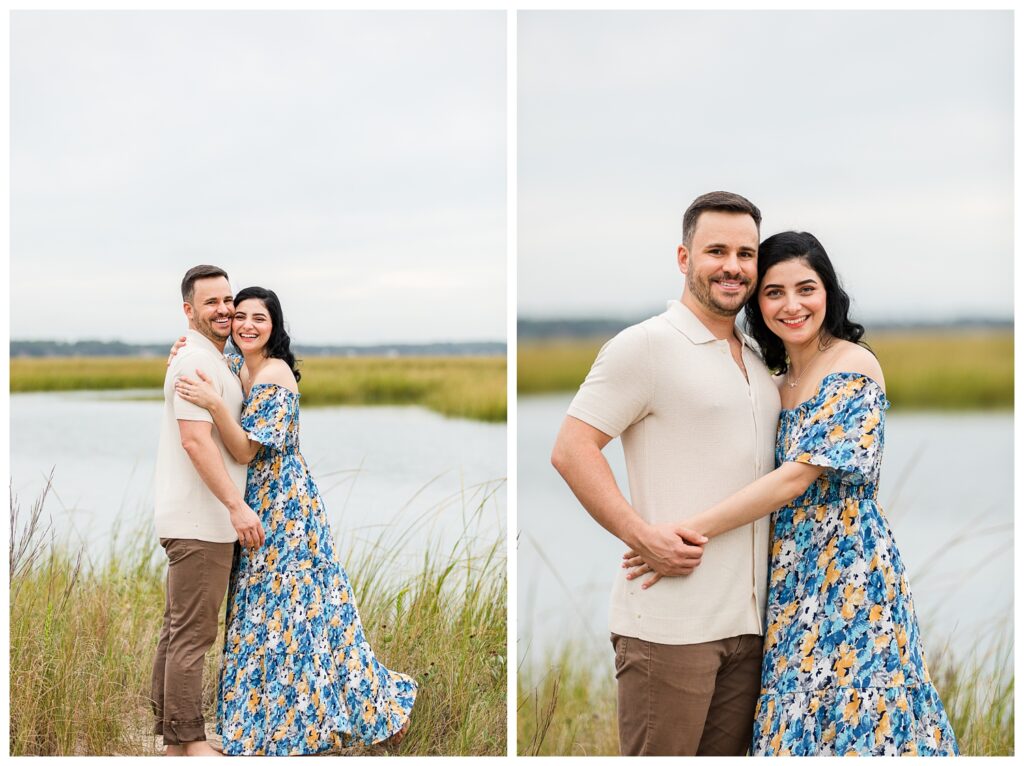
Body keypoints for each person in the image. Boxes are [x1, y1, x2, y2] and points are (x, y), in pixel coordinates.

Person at [623, 231, 959, 756]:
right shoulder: (774, 382)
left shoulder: (853, 364)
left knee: (858, 714)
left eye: (806, 288)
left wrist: (686, 535)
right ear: (758, 304)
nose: (792, 305)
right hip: (788, 578)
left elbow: (795, 478)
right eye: (774, 292)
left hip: (849, 574)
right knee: (796, 719)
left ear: (828, 292)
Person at [551, 191, 782, 756]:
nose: (733, 266)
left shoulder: (756, 356)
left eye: (746, 253)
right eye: (717, 251)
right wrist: (640, 534)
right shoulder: (645, 346)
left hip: (751, 628)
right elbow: (572, 447)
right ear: (684, 259)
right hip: (670, 626)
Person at [172, 286, 417, 756]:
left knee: (301, 610)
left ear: (274, 326)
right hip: (257, 502)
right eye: (239, 316)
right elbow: (210, 371)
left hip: (286, 509)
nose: (245, 324)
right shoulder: (240, 368)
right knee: (267, 612)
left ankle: (369, 714)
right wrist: (186, 350)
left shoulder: (277, 373)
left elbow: (245, 448)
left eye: (257, 319)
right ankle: (271, 723)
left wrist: (212, 402)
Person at [151, 265, 267, 757]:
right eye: (211, 302)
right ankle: (190, 742)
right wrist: (237, 507)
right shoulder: (193, 365)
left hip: (199, 520)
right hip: (201, 521)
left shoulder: (210, 360)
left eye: (228, 301)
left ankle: (171, 737)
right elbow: (196, 443)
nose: (223, 310)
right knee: (193, 637)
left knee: (178, 629)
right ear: (188, 310)